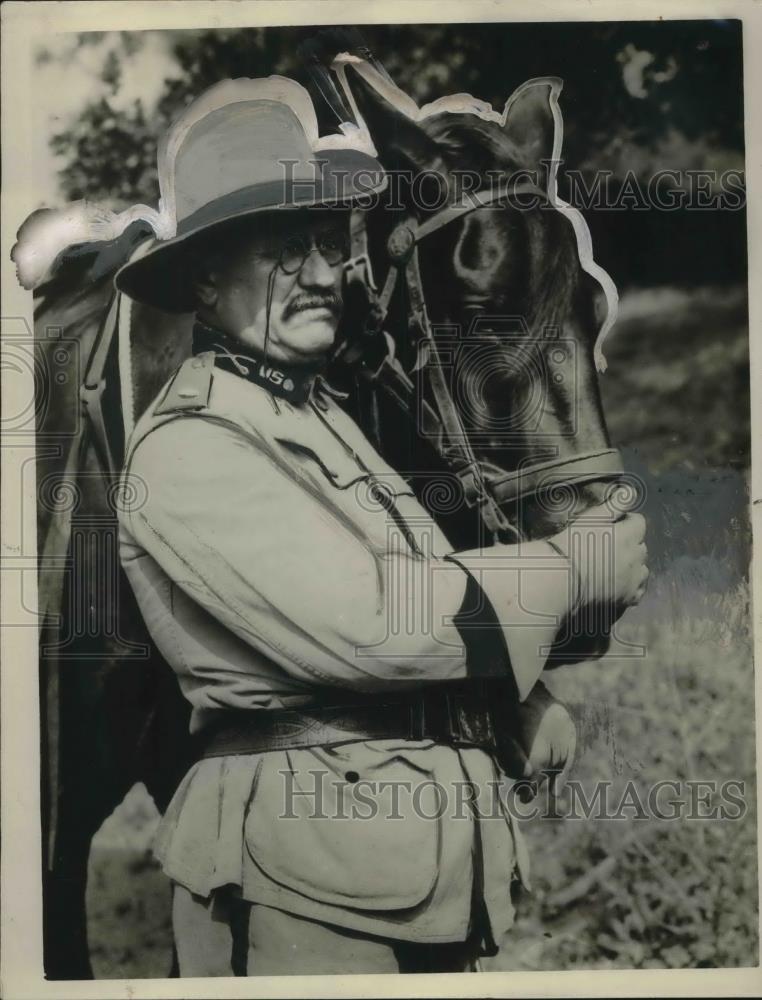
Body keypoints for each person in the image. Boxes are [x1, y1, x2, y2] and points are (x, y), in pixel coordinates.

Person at [115, 77, 648, 976]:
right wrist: (571, 569)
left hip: (398, 877)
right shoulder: (189, 446)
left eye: (328, 245)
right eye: (286, 252)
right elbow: (370, 626)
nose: (323, 275)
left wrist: (509, 702)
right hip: (300, 886)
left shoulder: (315, 418)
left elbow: (426, 585)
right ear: (205, 279)